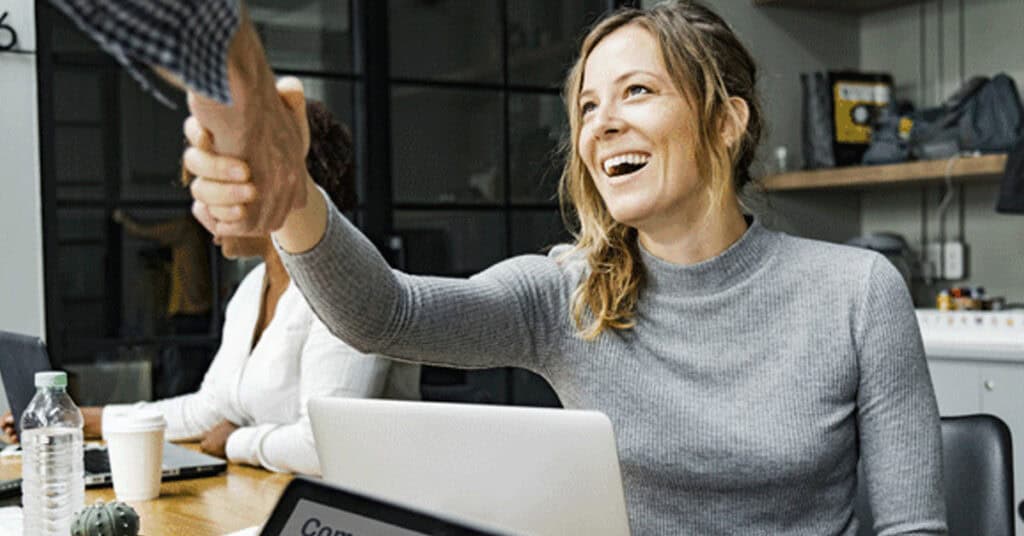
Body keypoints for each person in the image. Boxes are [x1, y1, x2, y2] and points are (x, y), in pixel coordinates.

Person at [49, 0, 945, 533]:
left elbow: (911, 527)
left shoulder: (856, 292)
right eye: (588, 105)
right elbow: (387, 315)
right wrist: (293, 198)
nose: (603, 123)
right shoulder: (567, 290)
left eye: (639, 91)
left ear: (726, 121)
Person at [3, 101, 419, 476]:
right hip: (270, 493)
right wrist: (80, 420)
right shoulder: (253, 288)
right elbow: (208, 411)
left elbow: (322, 446)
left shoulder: (348, 283)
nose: (202, 206)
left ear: (278, 184)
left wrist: (236, 441)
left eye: (217, 183)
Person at [112, 209, 214, 397]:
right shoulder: (199, 238)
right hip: (196, 312)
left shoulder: (186, 229)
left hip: (188, 313)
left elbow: (149, 232)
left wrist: (124, 220)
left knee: (182, 374)